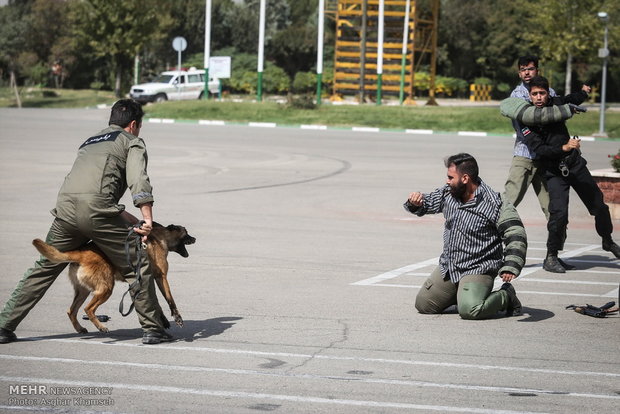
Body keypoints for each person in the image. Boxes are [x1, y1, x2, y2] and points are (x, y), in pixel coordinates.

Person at [0, 99, 172, 345]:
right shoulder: (132, 142)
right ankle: (153, 329)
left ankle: (4, 326)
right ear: (133, 124)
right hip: (98, 212)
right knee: (137, 265)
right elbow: (138, 180)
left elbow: (89, 186)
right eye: (139, 127)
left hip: (67, 210)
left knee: (43, 268)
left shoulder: (90, 141)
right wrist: (147, 219)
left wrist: (124, 216)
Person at [510, 76, 620, 272]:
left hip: (574, 164)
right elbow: (540, 149)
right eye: (534, 94)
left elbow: (572, 99)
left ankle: (607, 240)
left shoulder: (556, 104)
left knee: (599, 205)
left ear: (547, 93)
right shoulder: (527, 119)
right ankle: (551, 256)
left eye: (542, 93)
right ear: (529, 95)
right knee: (558, 214)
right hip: (553, 171)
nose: (538, 97)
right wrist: (564, 147)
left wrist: (584, 92)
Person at [404, 153, 527, 319]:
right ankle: (463, 294)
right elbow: (428, 202)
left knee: (471, 310)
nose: (447, 181)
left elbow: (515, 233)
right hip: (451, 265)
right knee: (424, 305)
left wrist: (511, 264)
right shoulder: (448, 193)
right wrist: (416, 202)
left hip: (478, 267)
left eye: (450, 177)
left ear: (465, 178)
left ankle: (506, 296)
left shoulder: (494, 202)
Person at [503, 55, 558, 220]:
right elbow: (530, 120)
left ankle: (556, 243)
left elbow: (557, 117)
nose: (526, 73)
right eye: (523, 70)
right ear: (519, 73)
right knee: (509, 201)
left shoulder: (550, 92)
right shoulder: (517, 95)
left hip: (546, 156)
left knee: (553, 206)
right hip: (525, 153)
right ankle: (493, 237)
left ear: (537, 70)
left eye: (530, 69)